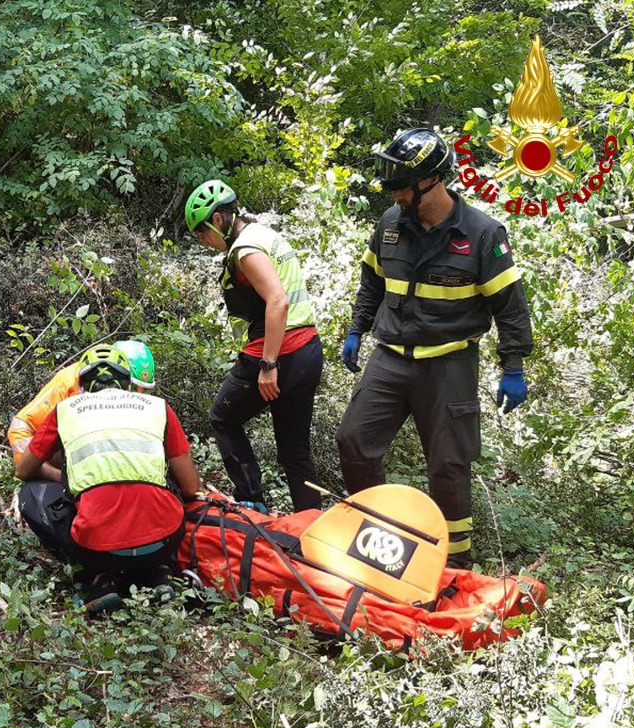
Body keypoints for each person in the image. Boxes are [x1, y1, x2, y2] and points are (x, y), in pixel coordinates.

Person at [336, 128, 534, 566]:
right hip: (390, 356)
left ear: (433, 181)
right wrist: (357, 328)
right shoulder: (390, 225)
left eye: (403, 185)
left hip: (449, 364)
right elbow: (372, 281)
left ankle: (454, 565)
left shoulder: (482, 234)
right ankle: (377, 538)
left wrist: (513, 365)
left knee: (448, 466)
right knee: (353, 441)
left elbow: (510, 305)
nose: (395, 195)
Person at [15, 345, 201, 614]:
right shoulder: (158, 407)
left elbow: (23, 470)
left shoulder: (66, 409)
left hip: (96, 550)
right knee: (168, 481)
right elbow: (191, 487)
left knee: (30, 493)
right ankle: (161, 572)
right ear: (128, 383)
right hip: (163, 542)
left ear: (81, 385)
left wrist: (65, 480)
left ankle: (95, 578)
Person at [184, 180, 323, 512]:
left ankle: (251, 502)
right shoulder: (265, 235)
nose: (204, 242)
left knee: (222, 417)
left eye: (201, 233)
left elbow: (278, 301)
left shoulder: (245, 250)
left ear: (218, 219)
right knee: (295, 452)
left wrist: (268, 365)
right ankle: (311, 524)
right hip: (307, 351)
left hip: (278, 352)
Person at [6, 339, 156, 477]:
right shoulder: (69, 383)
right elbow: (21, 426)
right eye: (136, 388)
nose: (138, 394)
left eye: (143, 390)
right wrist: (53, 475)